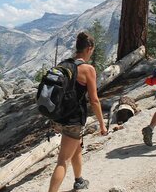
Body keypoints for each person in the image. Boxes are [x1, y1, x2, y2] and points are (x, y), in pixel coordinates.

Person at [48, 32, 108, 192]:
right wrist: (102, 124)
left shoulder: (64, 64)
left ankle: (79, 180)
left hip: (58, 116)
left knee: (75, 147)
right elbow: (94, 100)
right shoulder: (88, 69)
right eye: (92, 50)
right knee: (63, 161)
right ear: (89, 49)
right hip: (73, 119)